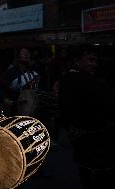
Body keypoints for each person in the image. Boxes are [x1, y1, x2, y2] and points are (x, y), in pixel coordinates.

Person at [59, 46, 115, 189]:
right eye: (90, 60)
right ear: (77, 61)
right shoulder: (86, 81)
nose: (94, 64)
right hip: (96, 141)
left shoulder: (68, 79)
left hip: (79, 139)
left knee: (85, 172)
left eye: (95, 60)